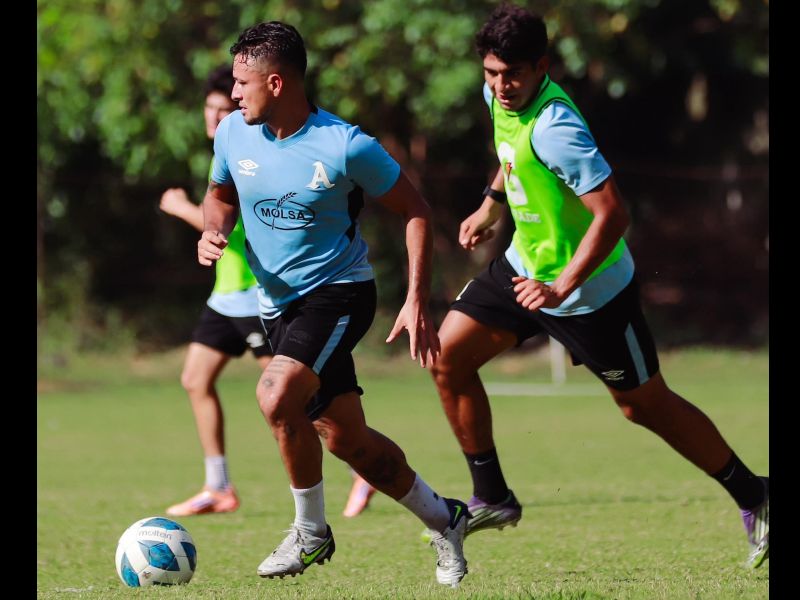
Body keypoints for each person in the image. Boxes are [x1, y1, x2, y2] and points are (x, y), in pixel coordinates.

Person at [428, 4, 768, 569]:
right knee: (448, 360)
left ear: (541, 67)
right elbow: (509, 156)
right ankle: (494, 496)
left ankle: (755, 494)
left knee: (644, 407)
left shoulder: (559, 127)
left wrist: (562, 286)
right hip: (523, 268)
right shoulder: (499, 99)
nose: (500, 85)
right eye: (490, 72)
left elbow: (613, 214)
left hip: (591, 292)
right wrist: (491, 204)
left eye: (512, 73)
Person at [197, 21, 469, 586]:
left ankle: (310, 532)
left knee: (275, 396)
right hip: (277, 306)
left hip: (339, 293)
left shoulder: (346, 145)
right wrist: (211, 230)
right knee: (347, 440)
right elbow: (219, 197)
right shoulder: (232, 134)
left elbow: (415, 210)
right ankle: (447, 519)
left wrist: (417, 298)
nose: (234, 93)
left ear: (276, 82)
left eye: (243, 82)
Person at [160, 65, 272, 517]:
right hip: (225, 298)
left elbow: (235, 229)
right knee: (194, 379)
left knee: (288, 397)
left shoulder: (250, 154)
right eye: (211, 108)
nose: (216, 117)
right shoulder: (222, 152)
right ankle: (218, 486)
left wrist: (183, 209)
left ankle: (362, 472)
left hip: (256, 296)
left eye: (225, 109)